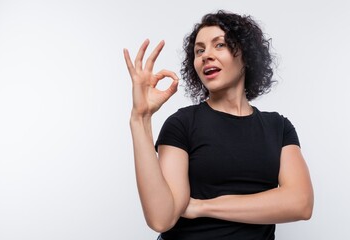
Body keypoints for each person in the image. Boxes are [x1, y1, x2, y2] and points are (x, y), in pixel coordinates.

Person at [123, 10, 314, 240]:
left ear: (245, 55)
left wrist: (203, 207)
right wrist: (140, 118)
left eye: (219, 45)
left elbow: (300, 203)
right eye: (199, 50)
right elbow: (161, 217)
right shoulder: (182, 124)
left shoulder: (279, 127)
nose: (206, 56)